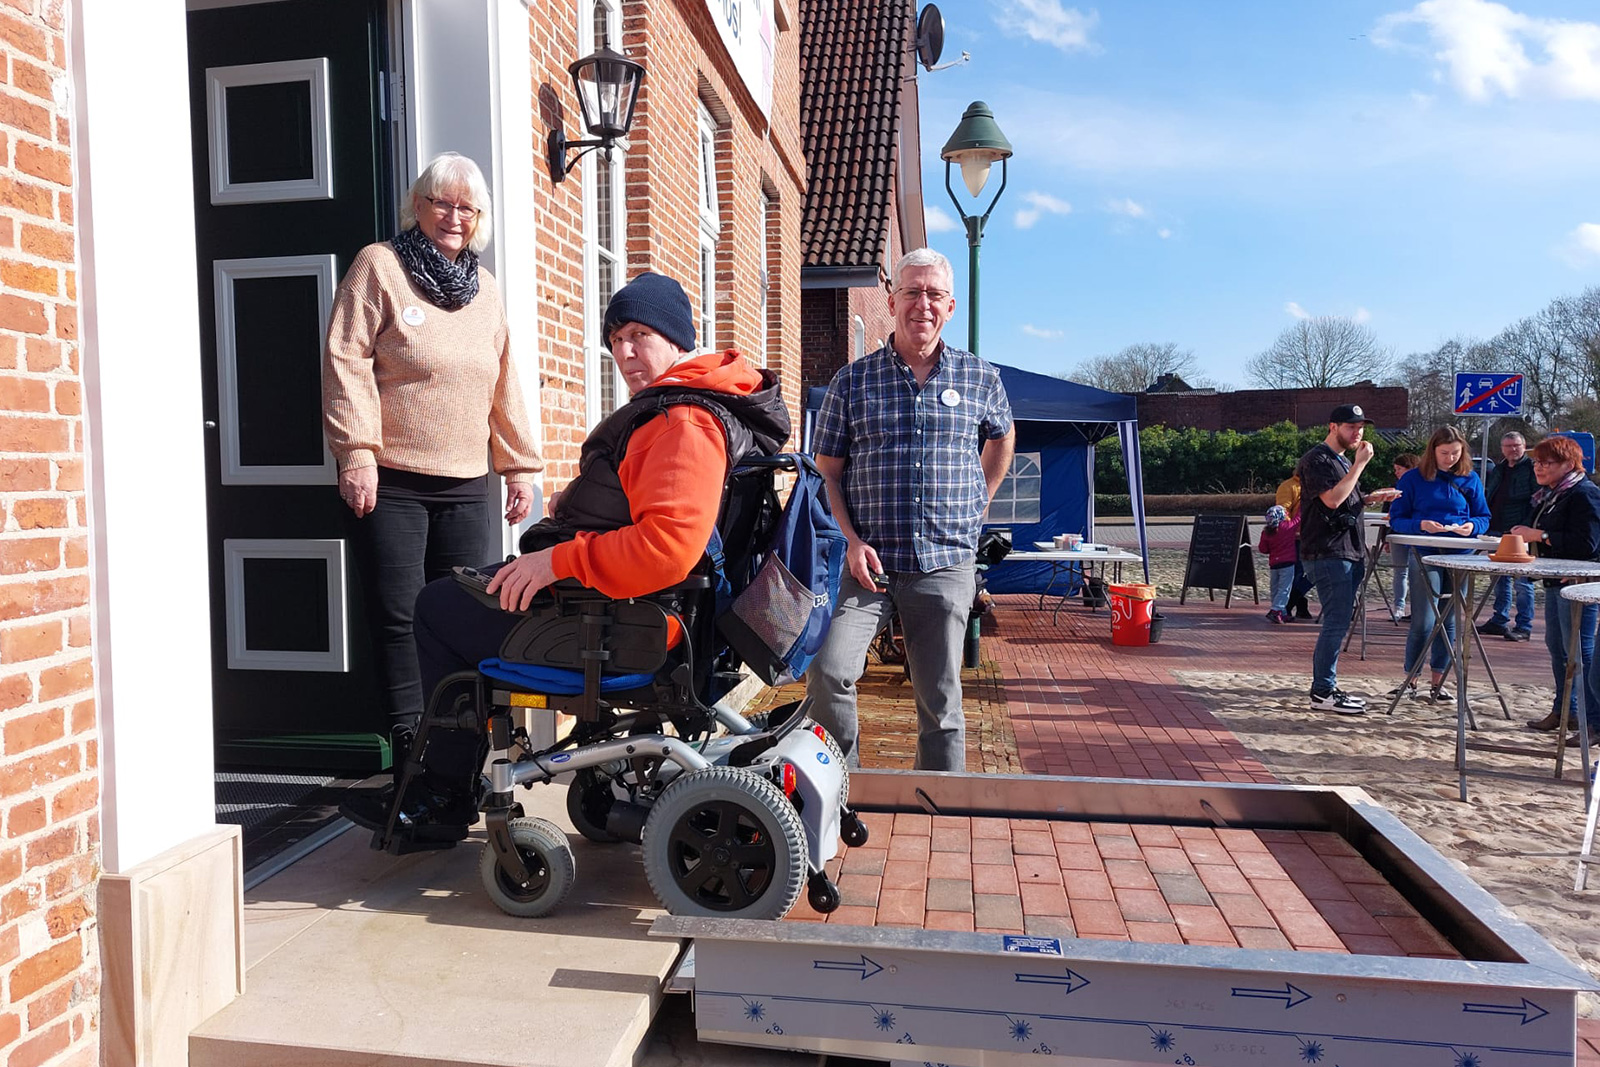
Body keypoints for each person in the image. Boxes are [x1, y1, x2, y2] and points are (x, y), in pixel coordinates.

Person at [339, 271, 790, 840]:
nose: (624, 352)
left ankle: (442, 795)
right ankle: (448, 780)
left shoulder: (684, 421)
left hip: (624, 629)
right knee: (472, 588)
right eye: (615, 340)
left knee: (436, 608)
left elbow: (667, 547)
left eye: (638, 335)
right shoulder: (705, 406)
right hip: (646, 615)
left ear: (677, 339)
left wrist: (555, 562)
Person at [323, 153, 541, 740]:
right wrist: (357, 452)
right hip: (391, 480)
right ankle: (407, 753)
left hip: (468, 485)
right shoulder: (380, 267)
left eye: (466, 207)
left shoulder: (486, 290)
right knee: (399, 620)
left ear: (480, 218)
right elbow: (346, 360)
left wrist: (519, 467)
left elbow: (503, 379)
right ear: (417, 205)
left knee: (464, 616)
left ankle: (458, 751)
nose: (453, 216)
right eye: (441, 202)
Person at [805, 248, 1015, 772]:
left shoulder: (979, 378)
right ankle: (840, 789)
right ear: (891, 297)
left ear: (950, 307)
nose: (923, 303)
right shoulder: (852, 381)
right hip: (865, 565)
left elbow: (1003, 440)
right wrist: (850, 541)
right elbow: (827, 470)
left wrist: (978, 506)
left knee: (941, 702)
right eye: (912, 291)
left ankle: (941, 813)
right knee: (829, 672)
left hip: (945, 563)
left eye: (935, 294)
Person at [1295, 404, 1400, 714]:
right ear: (1333, 427)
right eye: (1351, 426)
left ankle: (1327, 687)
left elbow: (1344, 497)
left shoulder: (1339, 461)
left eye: (1361, 427)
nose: (1358, 432)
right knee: (1336, 623)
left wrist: (1369, 498)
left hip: (1347, 550)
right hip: (1328, 552)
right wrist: (1360, 465)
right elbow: (1331, 500)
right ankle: (1322, 691)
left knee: (1339, 622)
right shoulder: (1318, 460)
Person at [1385, 427, 1490, 703]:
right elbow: (1396, 519)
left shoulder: (1470, 478)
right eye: (1445, 453)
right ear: (1432, 451)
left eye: (1456, 453)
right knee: (1424, 619)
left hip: (1461, 553)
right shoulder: (1412, 479)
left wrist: (1471, 526)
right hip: (1425, 552)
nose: (1450, 458)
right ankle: (1411, 680)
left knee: (1451, 619)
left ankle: (1438, 682)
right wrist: (1421, 525)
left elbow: (1484, 516)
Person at [1508, 435, 1600, 745]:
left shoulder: (1584, 494)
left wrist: (1541, 534)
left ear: (1569, 465)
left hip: (1578, 583)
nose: (1539, 468)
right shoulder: (1552, 494)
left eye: (1547, 463)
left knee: (1579, 652)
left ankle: (1592, 721)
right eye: (1536, 462)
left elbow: (1588, 544)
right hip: (1554, 580)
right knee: (1558, 649)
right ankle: (1565, 710)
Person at [1479, 431, 1537, 642]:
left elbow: (1537, 499)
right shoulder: (1499, 469)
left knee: (1522, 581)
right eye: (1508, 446)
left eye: (1516, 445)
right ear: (1502, 448)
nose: (1513, 449)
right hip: (1495, 529)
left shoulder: (1531, 469)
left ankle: (1524, 625)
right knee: (1498, 578)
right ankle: (1499, 620)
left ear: (1523, 446)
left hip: (1519, 531)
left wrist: (1528, 527)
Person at [1273, 472, 1313, 620]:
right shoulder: (1289, 486)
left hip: (1314, 536)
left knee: (1315, 572)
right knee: (1296, 573)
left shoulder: (1318, 484)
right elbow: (1283, 511)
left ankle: (1295, 600)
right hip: (1297, 538)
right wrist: (1291, 530)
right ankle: (1291, 604)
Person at [1387, 453, 1419, 621]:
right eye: (1395, 469)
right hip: (1397, 533)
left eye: (1399, 469)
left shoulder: (1421, 486)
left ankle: (1418, 608)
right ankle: (1399, 607)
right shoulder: (1395, 487)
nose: (1396, 473)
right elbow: (1390, 513)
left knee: (1417, 572)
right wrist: (1387, 536)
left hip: (1416, 534)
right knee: (1400, 571)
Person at [1257, 504, 1300, 624]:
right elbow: (1298, 518)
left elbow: (1263, 549)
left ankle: (1283, 612)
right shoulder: (1287, 527)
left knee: (1275, 588)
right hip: (1287, 563)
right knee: (1284, 589)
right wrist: (1302, 503)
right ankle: (1276, 610)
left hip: (1274, 564)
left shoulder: (1266, 532)